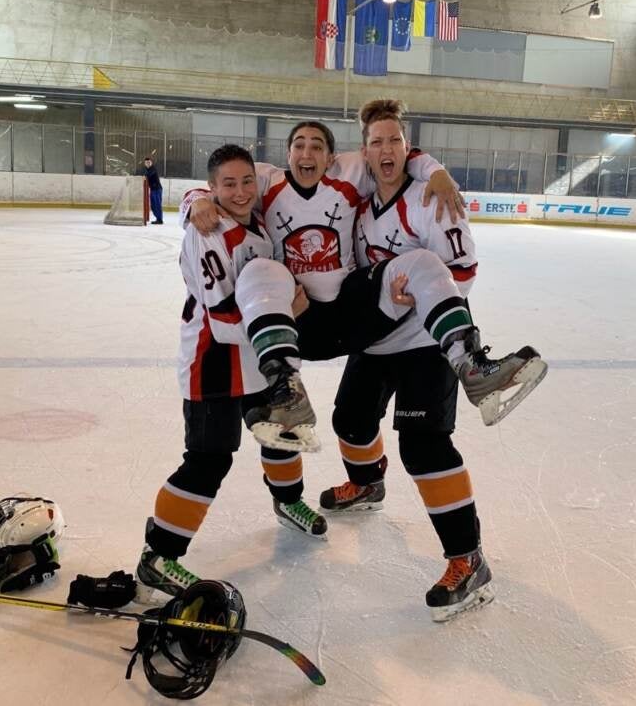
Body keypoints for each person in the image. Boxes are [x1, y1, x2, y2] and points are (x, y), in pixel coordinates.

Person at [320, 99, 547, 621]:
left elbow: (462, 275)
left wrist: (412, 295)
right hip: (375, 340)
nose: (386, 150)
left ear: (407, 146)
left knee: (424, 448)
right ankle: (367, 481)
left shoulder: (430, 198)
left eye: (394, 141)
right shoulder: (354, 201)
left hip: (427, 341)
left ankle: (468, 561)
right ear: (366, 148)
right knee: (349, 421)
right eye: (376, 141)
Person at [185, 121, 544, 426]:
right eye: (298, 146)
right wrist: (195, 200)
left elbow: (400, 153)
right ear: (287, 153)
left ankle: (471, 366)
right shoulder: (263, 179)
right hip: (299, 320)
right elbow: (219, 184)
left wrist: (435, 171)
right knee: (261, 270)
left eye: (317, 147)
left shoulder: (352, 172)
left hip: (349, 314)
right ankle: (286, 394)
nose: (307, 154)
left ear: (332, 157)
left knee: (422, 261)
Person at [135, 144, 326, 604]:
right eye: (228, 184)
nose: (240, 192)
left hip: (256, 359)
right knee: (209, 459)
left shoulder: (258, 222)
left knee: (282, 429)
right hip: (213, 361)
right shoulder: (208, 232)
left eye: (246, 182)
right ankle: (159, 555)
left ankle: (287, 502)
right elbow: (220, 321)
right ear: (213, 187)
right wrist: (289, 318)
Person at [142, 156, 163, 224]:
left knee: (157, 204)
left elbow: (149, 175)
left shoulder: (153, 169)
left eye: (149, 162)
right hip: (153, 189)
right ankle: (158, 218)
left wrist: (145, 176)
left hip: (157, 189)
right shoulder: (147, 170)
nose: (147, 164)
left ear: (151, 163)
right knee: (153, 205)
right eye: (146, 163)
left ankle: (159, 219)